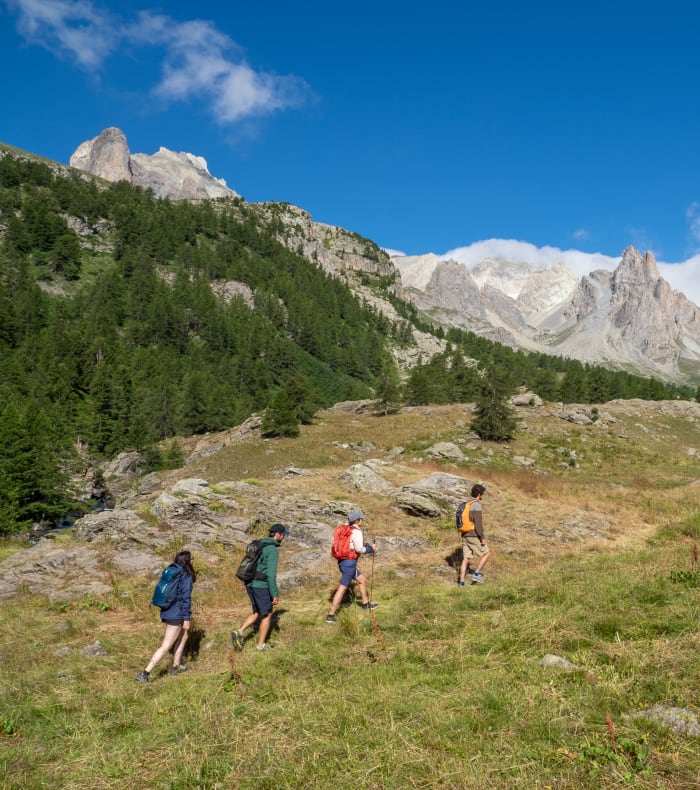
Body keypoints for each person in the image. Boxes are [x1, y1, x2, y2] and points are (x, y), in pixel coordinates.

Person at [136, 550, 196, 682]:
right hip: (177, 613)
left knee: (184, 635)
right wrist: (186, 618)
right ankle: (145, 673)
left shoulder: (174, 570)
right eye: (192, 558)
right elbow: (186, 598)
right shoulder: (186, 575)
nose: (193, 560)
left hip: (168, 610)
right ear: (187, 560)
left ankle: (176, 665)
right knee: (166, 645)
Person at [231, 523, 290, 652]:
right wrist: (275, 594)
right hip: (261, 585)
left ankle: (239, 632)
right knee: (267, 614)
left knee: (257, 612)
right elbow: (271, 574)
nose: (284, 537)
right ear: (278, 534)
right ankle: (260, 646)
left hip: (250, 583)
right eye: (283, 535)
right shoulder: (272, 550)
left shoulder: (260, 544)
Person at [325, 510, 377, 623]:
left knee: (362, 579)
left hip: (342, 562)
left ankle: (365, 603)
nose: (362, 520)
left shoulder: (344, 528)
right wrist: (370, 549)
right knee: (342, 588)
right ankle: (331, 615)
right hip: (349, 564)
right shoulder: (356, 532)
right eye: (361, 519)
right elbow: (359, 549)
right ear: (357, 520)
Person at [458, 484, 491, 585]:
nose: (482, 497)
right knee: (487, 553)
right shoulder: (476, 505)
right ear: (479, 494)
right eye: (482, 494)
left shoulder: (465, 503)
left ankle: (461, 582)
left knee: (466, 558)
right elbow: (478, 523)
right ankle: (476, 574)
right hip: (473, 534)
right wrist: (482, 537)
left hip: (464, 534)